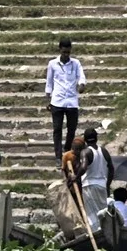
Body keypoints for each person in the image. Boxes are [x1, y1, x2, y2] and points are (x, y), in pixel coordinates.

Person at [45, 38, 86, 170]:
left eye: (68, 52)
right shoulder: (52, 64)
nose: (66, 55)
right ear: (60, 50)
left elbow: (82, 76)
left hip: (72, 101)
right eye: (64, 52)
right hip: (57, 101)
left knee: (71, 129)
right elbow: (49, 82)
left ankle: (67, 151)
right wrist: (48, 100)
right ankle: (58, 157)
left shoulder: (75, 63)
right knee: (57, 130)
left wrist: (81, 85)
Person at [76, 128, 113, 230]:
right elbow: (111, 169)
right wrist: (107, 185)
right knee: (103, 213)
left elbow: (83, 167)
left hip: (89, 186)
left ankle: (97, 237)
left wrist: (76, 177)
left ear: (85, 139)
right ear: (96, 138)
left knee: (93, 217)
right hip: (102, 186)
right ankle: (106, 233)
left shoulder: (85, 152)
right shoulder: (104, 151)